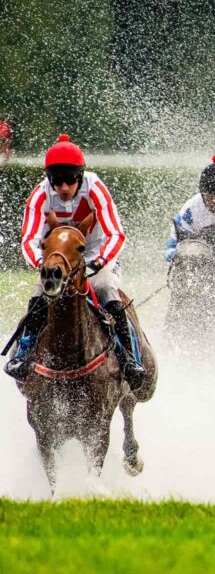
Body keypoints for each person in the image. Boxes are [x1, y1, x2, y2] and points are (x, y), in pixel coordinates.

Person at [5, 134, 145, 387]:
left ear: (80, 176)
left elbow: (115, 234)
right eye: (57, 181)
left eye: (70, 180)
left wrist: (97, 264)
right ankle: (22, 356)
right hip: (57, 262)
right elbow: (28, 240)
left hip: (94, 256)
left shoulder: (95, 187)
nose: (63, 187)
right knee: (38, 297)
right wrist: (44, 265)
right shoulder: (40, 194)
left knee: (106, 290)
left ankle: (130, 359)